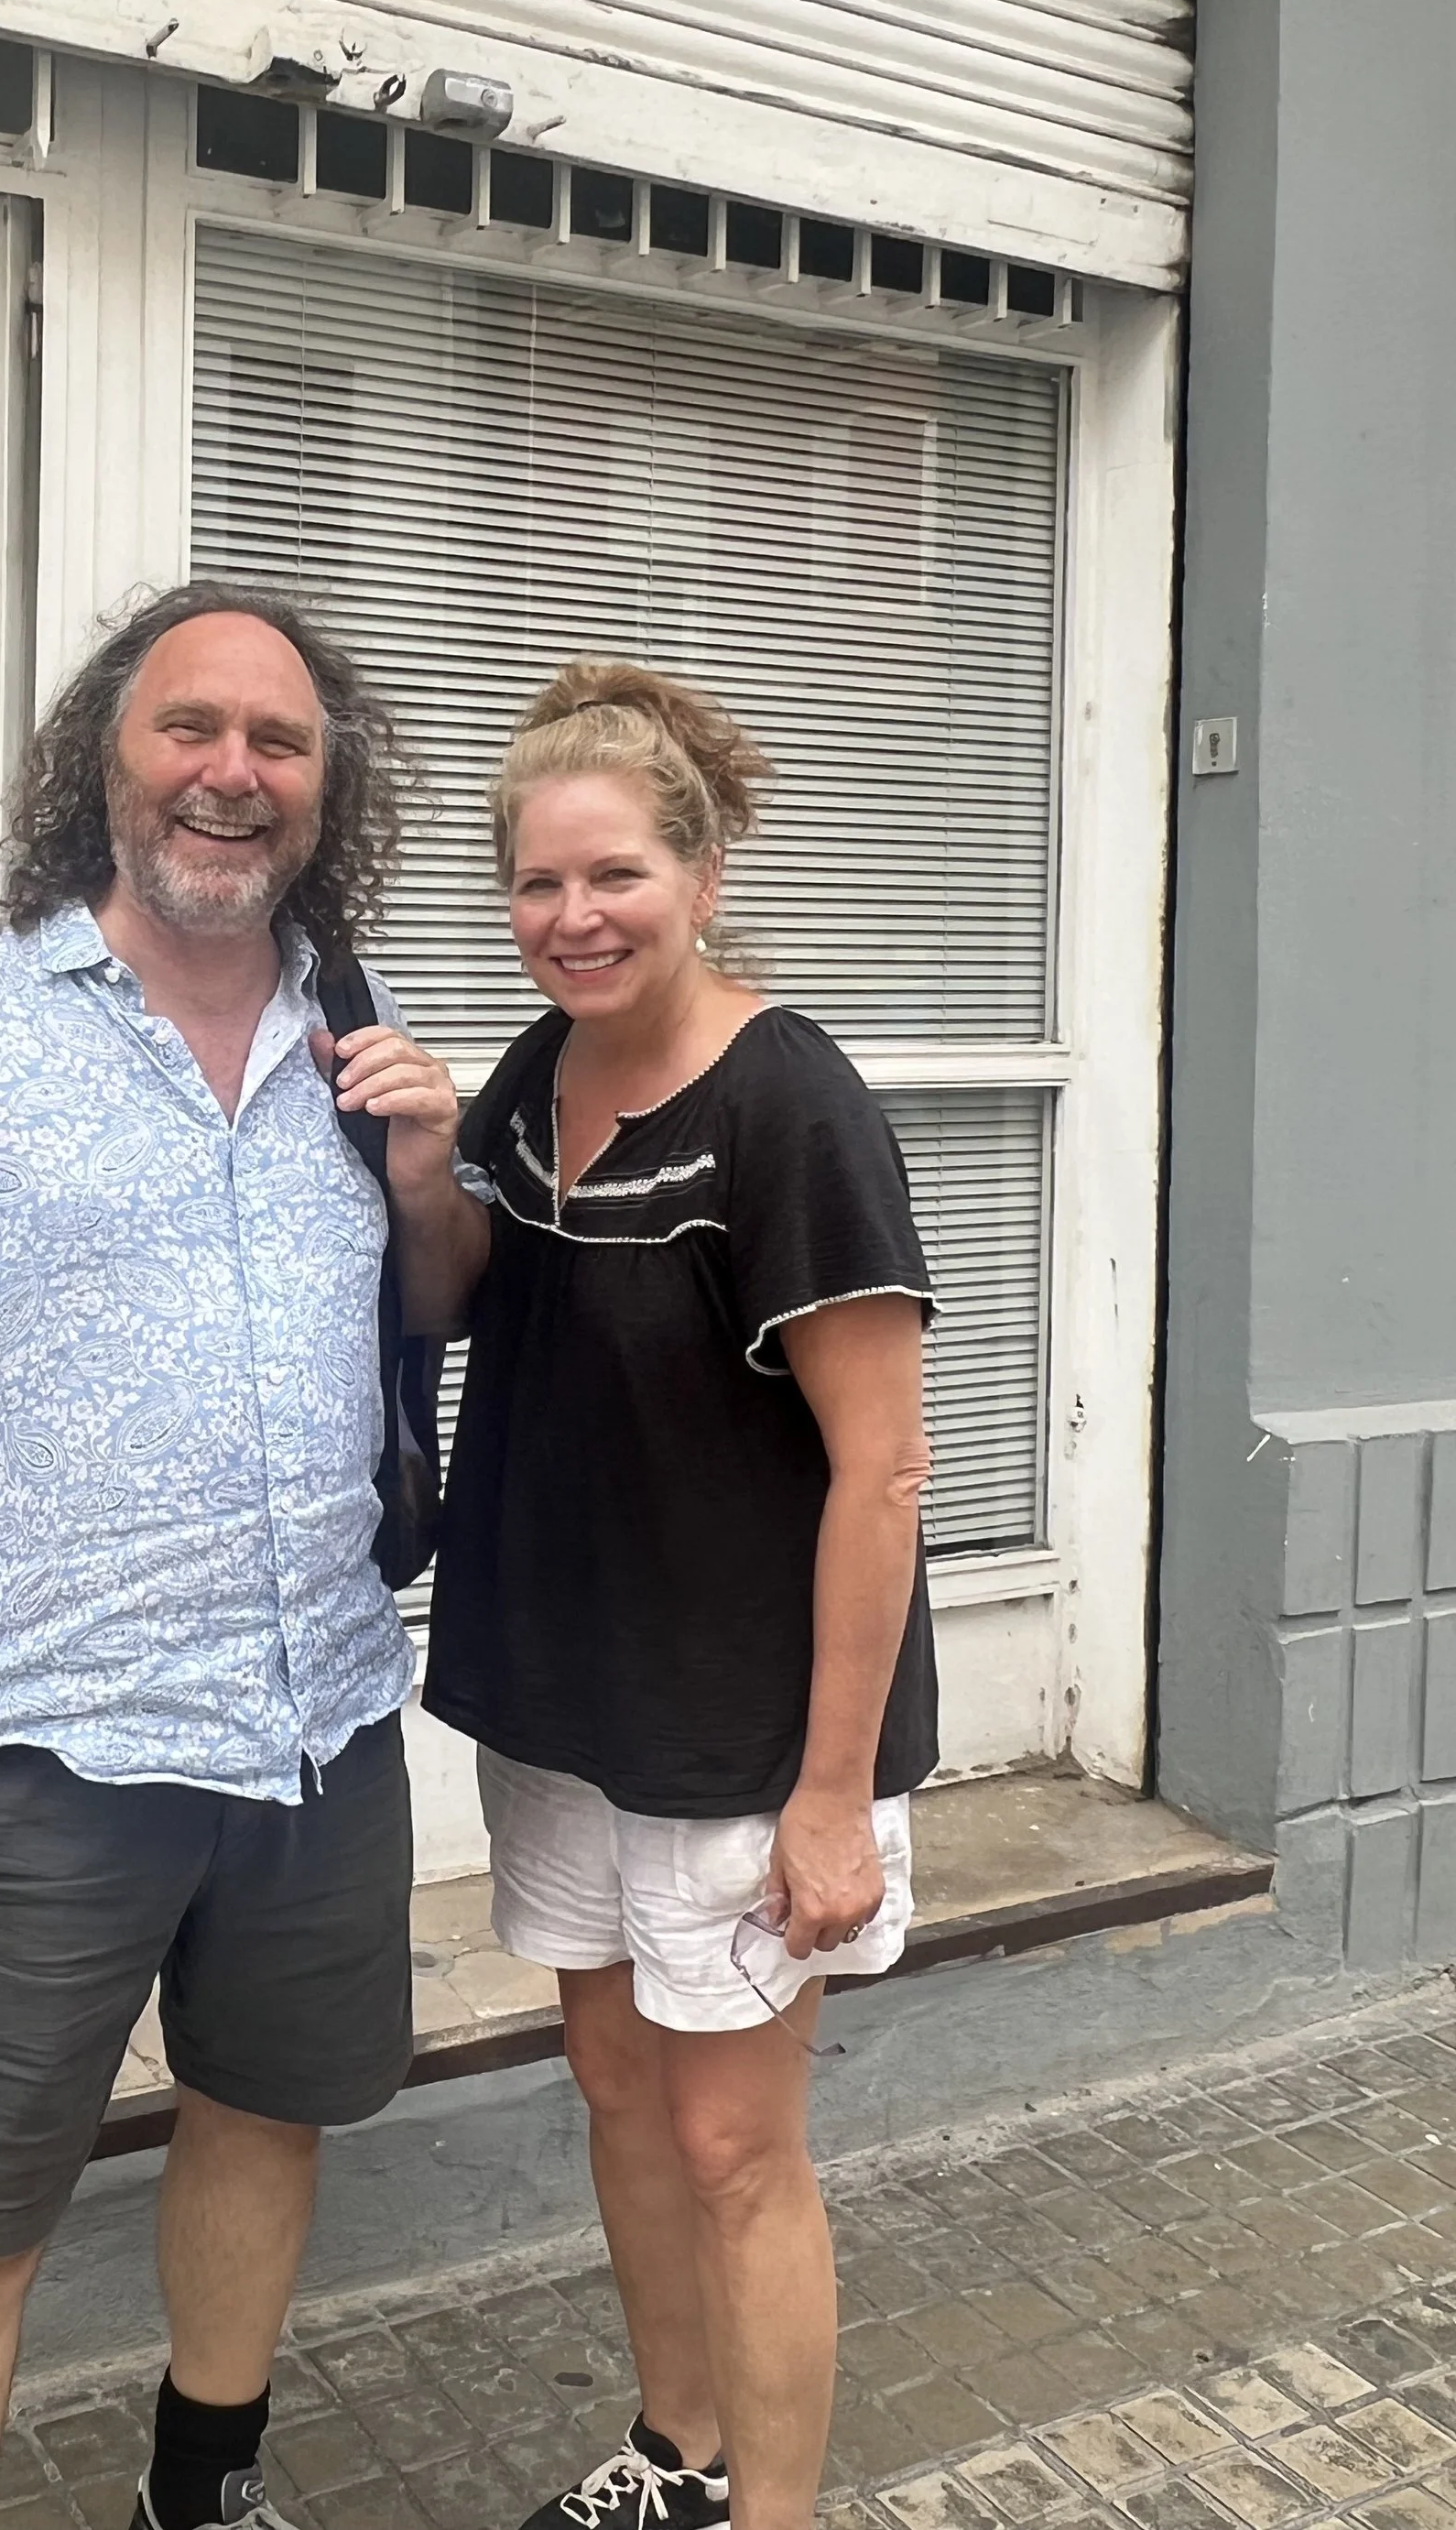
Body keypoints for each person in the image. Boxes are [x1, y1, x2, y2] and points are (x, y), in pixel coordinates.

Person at [0, 580, 481, 2530]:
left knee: (261, 2118)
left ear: (327, 791)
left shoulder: (351, 1026)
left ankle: (202, 2491)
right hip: (41, 1750)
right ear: (108, 757)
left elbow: (433, 1307)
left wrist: (430, 1178)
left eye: (279, 742)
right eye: (191, 729)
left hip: (314, 1722)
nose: (231, 773)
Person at [420, 659, 937, 2530]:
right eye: (539, 885)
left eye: (614, 875)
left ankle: (774, 2509)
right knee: (618, 2093)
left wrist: (829, 1787)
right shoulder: (538, 1065)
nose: (574, 917)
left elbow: (879, 1472)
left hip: (737, 1731)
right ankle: (674, 2448)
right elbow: (449, 1296)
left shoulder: (788, 1102)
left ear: (701, 872)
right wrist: (420, 1158)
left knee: (732, 2144)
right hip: (564, 1702)